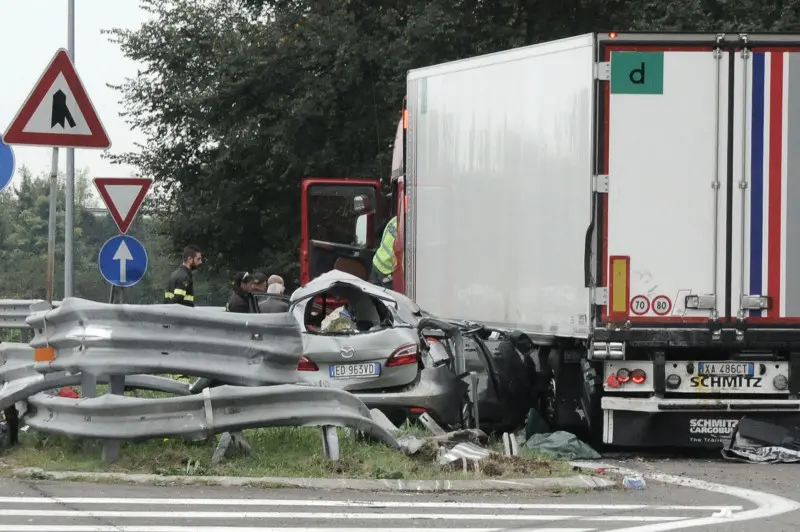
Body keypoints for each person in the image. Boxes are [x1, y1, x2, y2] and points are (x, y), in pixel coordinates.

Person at [370, 216, 397, 289]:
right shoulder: (406, 227)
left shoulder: (394, 220)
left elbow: (378, 233)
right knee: (392, 298)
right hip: (386, 270)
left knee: (376, 296)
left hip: (377, 261)